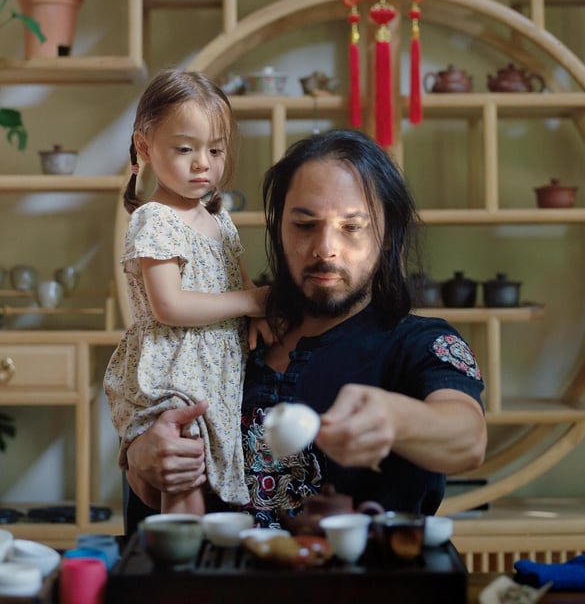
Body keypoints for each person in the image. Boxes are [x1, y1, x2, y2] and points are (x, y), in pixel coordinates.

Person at [122, 128, 487, 532]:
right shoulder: (218, 336)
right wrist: (143, 458)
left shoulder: (422, 343)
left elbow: (467, 438)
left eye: (352, 227)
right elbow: (150, 477)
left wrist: (397, 420)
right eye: (304, 224)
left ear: (386, 238)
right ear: (279, 230)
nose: (324, 248)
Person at [103, 68, 269, 517]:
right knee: (186, 476)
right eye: (185, 149)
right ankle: (181, 582)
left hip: (217, 373)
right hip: (173, 372)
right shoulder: (155, 219)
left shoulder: (220, 220)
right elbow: (169, 305)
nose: (203, 163)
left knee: (215, 485)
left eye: (214, 150)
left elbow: (243, 287)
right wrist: (254, 302)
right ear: (145, 148)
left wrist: (257, 312)